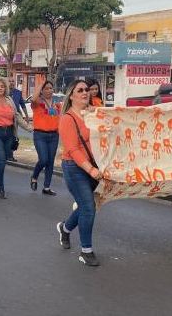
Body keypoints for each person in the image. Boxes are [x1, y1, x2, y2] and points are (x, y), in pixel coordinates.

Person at [56, 80, 103, 267]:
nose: (85, 92)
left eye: (87, 90)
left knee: (86, 207)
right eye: (80, 90)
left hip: (94, 166)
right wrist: (90, 169)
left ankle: (65, 228)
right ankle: (86, 251)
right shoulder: (68, 119)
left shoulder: (94, 114)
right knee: (89, 207)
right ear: (71, 95)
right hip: (75, 168)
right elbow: (73, 150)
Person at [30, 80, 62, 195]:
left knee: (50, 162)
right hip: (40, 135)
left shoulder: (56, 102)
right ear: (42, 91)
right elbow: (33, 99)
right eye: (46, 88)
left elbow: (59, 116)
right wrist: (39, 84)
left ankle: (46, 187)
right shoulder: (38, 102)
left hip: (54, 135)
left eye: (51, 88)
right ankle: (34, 176)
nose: (49, 90)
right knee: (44, 159)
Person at [7, 78, 29, 162]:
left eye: (13, 81)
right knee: (6, 136)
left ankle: (10, 155)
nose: (11, 82)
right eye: (9, 81)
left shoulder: (18, 92)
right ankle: (6, 154)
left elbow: (23, 105)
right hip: (5, 118)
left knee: (14, 136)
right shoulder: (4, 92)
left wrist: (26, 116)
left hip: (15, 118)